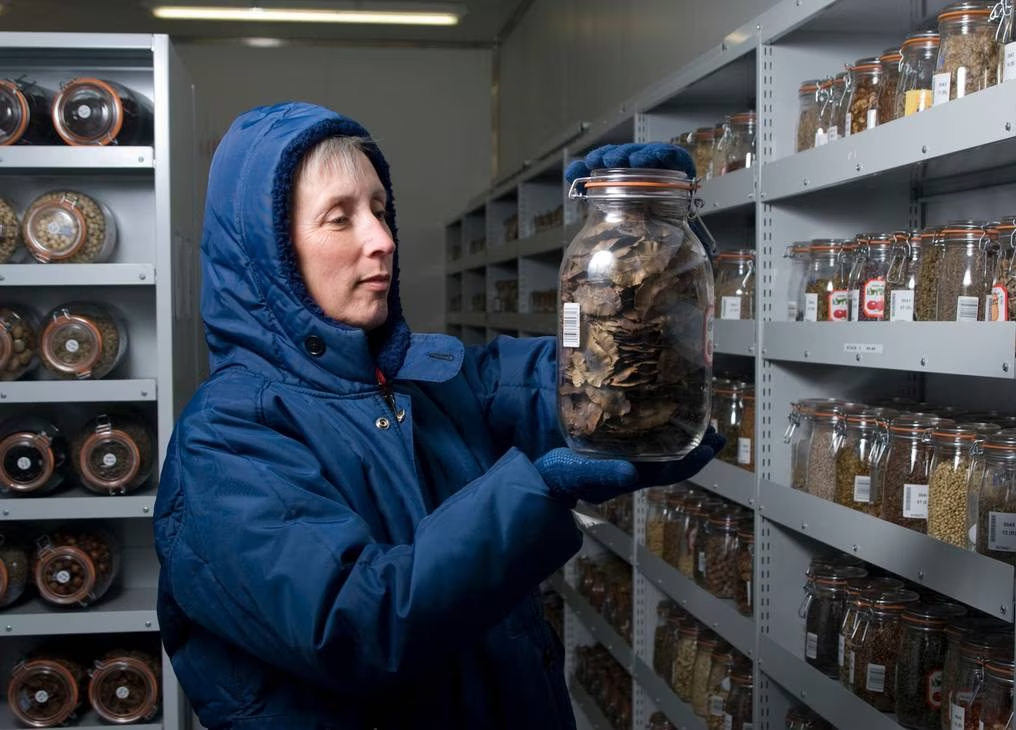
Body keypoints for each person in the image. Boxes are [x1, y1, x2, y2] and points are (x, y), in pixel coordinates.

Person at [153, 101, 724, 730]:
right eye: (339, 219)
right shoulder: (224, 442)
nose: (383, 240)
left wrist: (645, 236)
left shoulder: (426, 381)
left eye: (378, 209)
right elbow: (358, 625)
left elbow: (574, 377)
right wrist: (539, 491)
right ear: (268, 255)